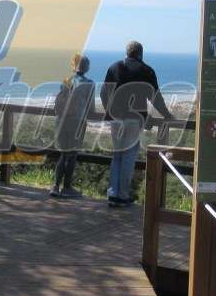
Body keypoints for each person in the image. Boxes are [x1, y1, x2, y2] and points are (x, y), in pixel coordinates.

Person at [100, 40, 172, 207]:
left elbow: (104, 93)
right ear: (141, 54)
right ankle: (122, 195)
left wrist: (108, 111)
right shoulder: (147, 70)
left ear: (127, 53)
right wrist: (167, 115)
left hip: (116, 118)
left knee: (117, 156)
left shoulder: (114, 67)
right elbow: (155, 97)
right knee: (128, 157)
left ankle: (113, 194)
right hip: (135, 119)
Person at [50, 54, 95, 198]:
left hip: (61, 121)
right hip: (77, 122)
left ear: (74, 66)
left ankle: (55, 186)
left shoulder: (66, 81)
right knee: (72, 155)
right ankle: (67, 187)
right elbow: (91, 108)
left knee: (63, 154)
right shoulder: (89, 83)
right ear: (87, 67)